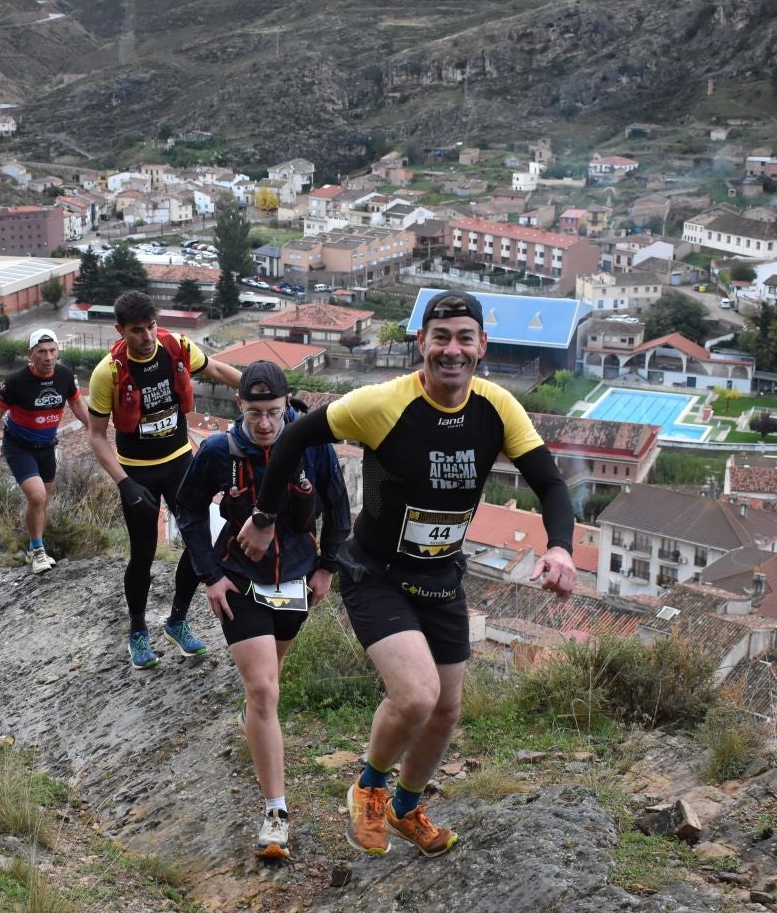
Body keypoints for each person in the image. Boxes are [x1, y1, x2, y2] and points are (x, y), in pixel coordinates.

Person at [237, 290, 578, 859]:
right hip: (376, 573)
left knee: (445, 709)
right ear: (421, 343)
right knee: (417, 696)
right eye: (440, 338)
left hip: (442, 576)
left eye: (464, 338)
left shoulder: (498, 408)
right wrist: (266, 517)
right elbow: (294, 436)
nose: (452, 350)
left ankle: (406, 806)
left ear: (482, 345)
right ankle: (369, 789)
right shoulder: (381, 403)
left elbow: (549, 482)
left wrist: (561, 548)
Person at [177, 361, 350, 861]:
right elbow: (188, 509)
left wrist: (327, 567)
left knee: (270, 680)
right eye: (254, 413)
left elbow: (338, 507)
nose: (266, 424)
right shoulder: (218, 450)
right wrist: (211, 575)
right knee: (262, 688)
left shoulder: (313, 445)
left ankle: (256, 719)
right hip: (241, 580)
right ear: (239, 406)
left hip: (297, 579)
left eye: (274, 412)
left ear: (287, 404)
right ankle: (276, 813)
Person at [86, 290, 242, 669]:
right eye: (137, 330)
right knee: (143, 554)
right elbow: (96, 436)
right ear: (120, 330)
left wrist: (264, 389)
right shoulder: (108, 372)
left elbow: (218, 370)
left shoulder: (177, 348)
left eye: (151, 326)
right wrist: (123, 482)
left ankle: (177, 620)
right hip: (136, 472)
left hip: (179, 463)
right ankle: (138, 631)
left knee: (199, 544)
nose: (147, 337)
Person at [0, 327, 89, 574]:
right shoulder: (16, 381)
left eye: (52, 350)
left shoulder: (64, 375)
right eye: (41, 352)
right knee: (38, 496)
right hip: (19, 447)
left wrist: (93, 429)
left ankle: (33, 546)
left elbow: (76, 403)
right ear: (31, 354)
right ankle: (38, 551)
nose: (48, 357)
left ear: (58, 351)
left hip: (47, 448)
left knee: (42, 501)